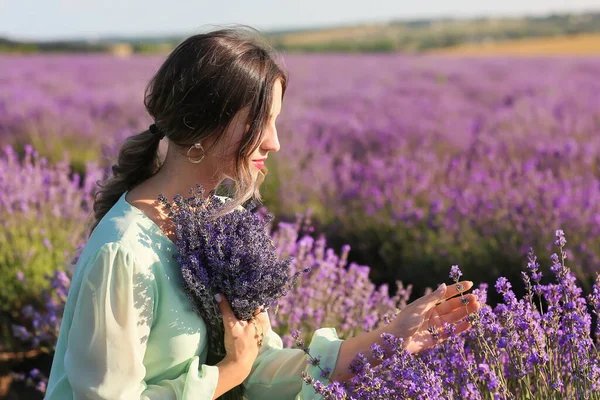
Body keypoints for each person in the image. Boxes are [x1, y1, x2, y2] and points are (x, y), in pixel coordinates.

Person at [44, 26, 481, 400]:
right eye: (261, 123)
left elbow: (261, 365)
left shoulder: (221, 219)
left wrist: (390, 341)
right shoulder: (124, 252)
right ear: (207, 125)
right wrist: (226, 374)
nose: (274, 142)